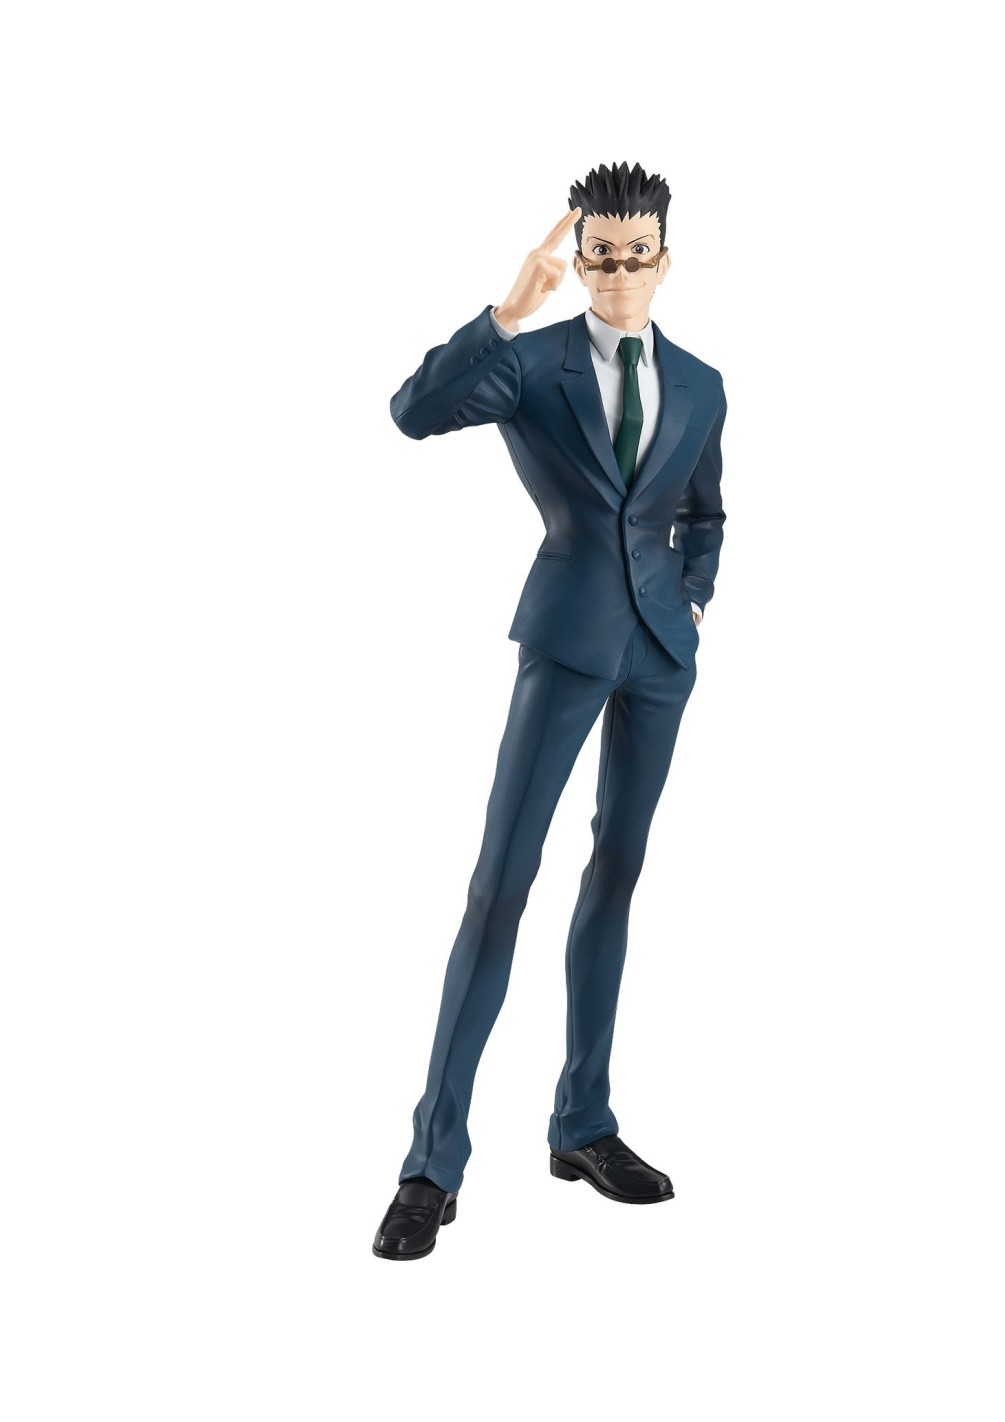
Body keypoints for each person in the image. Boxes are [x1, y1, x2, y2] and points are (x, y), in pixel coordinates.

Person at [373, 163, 726, 1260]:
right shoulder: (530, 365)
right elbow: (414, 414)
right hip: (566, 640)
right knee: (500, 885)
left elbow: (707, 508)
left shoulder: (702, 381)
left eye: (635, 254)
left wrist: (696, 597)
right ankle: (432, 1162)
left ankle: (583, 1122)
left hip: (660, 653)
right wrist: (505, 310)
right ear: (578, 260)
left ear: (664, 261)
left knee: (617, 874)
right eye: (599, 255)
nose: (617, 272)